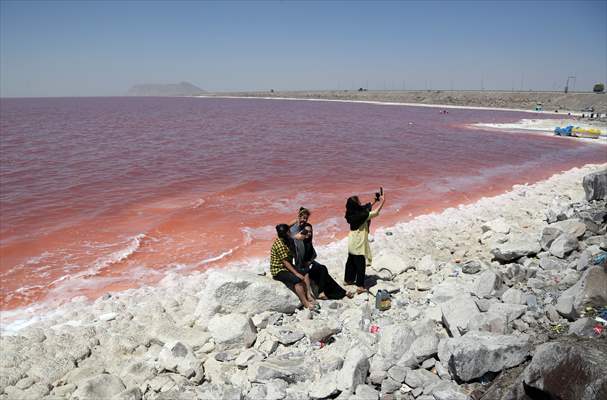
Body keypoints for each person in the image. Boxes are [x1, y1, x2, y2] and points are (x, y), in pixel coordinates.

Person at [297, 222, 353, 300]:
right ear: (301, 231)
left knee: (324, 273)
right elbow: (298, 259)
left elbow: (313, 255)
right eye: (306, 231)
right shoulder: (299, 242)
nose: (308, 233)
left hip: (309, 266)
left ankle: (340, 292)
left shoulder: (308, 242)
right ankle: (324, 292)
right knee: (323, 269)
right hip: (302, 269)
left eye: (310, 232)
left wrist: (310, 261)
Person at [344, 192, 385, 294]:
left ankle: (348, 280)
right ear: (356, 205)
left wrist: (375, 201)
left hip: (351, 240)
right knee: (360, 264)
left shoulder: (351, 214)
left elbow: (364, 208)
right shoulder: (362, 216)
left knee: (351, 262)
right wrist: (383, 202)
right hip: (359, 241)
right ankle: (360, 286)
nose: (360, 203)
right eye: (358, 202)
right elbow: (374, 213)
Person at [270, 224, 315, 310]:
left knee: (306, 272)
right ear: (287, 232)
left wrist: (296, 221)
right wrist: (296, 273)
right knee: (297, 280)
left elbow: (295, 236)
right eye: (289, 231)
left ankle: (309, 295)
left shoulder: (287, 239)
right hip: (279, 269)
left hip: (287, 267)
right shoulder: (280, 244)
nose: (290, 232)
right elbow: (285, 262)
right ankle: (305, 303)